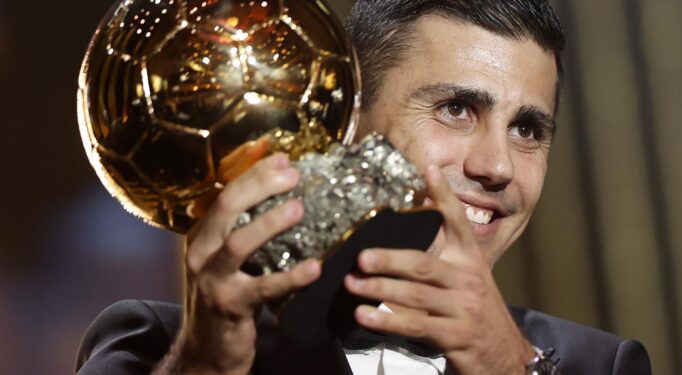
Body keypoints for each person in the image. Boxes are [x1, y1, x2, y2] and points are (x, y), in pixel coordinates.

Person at [75, 0, 652, 374]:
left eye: (527, 129)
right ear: (348, 125)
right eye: (456, 109)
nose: (498, 165)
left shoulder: (601, 365)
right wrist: (203, 364)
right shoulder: (154, 347)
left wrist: (507, 367)